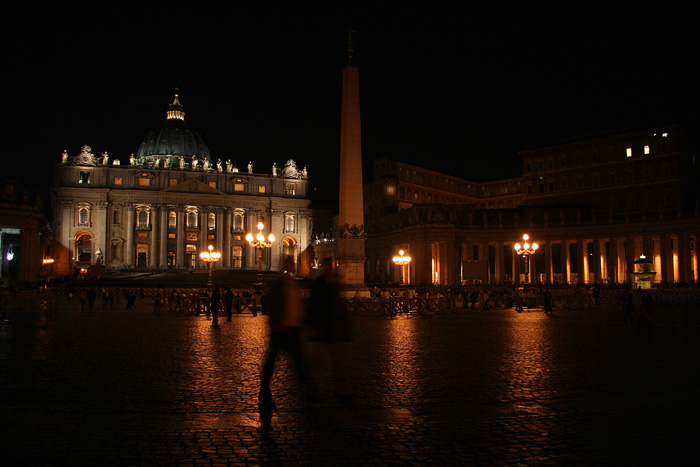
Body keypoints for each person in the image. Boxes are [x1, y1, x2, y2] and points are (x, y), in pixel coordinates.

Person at [258, 256, 309, 408]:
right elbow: (273, 304)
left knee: (297, 362)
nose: (293, 265)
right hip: (281, 328)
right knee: (272, 363)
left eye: (293, 263)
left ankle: (308, 391)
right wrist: (276, 323)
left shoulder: (294, 283)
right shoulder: (278, 284)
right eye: (290, 263)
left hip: (293, 329)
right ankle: (264, 391)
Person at [306, 257, 353, 401]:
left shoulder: (335, 282)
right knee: (320, 361)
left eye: (332, 266)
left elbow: (338, 304)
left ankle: (341, 387)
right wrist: (315, 327)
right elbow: (314, 304)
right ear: (325, 267)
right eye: (329, 266)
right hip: (325, 326)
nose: (331, 268)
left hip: (337, 327)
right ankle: (311, 386)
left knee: (340, 360)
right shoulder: (320, 283)